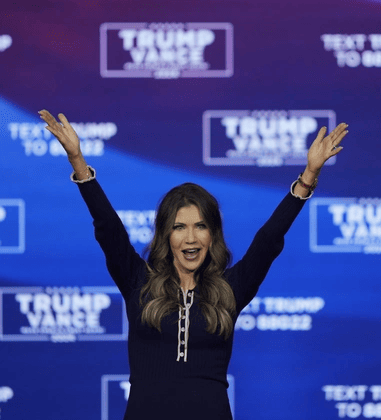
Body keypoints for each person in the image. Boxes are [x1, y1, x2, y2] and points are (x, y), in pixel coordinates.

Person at [39, 109, 348, 419]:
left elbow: (268, 241)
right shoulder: (138, 282)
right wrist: (78, 161)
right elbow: (109, 228)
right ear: (165, 235)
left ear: (212, 235)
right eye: (179, 227)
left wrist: (308, 177)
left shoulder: (230, 290)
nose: (191, 238)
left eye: (200, 226)